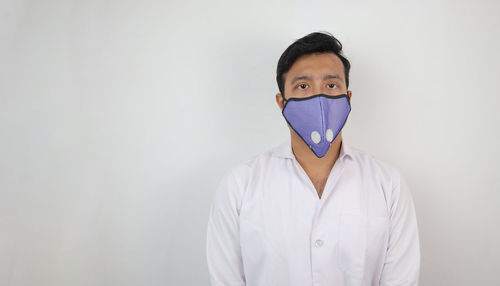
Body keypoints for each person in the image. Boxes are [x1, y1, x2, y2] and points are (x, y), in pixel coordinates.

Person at [206, 31, 420, 286]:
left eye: (331, 85)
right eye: (303, 86)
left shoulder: (388, 185)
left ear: (348, 98)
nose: (319, 98)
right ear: (281, 102)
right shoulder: (239, 186)